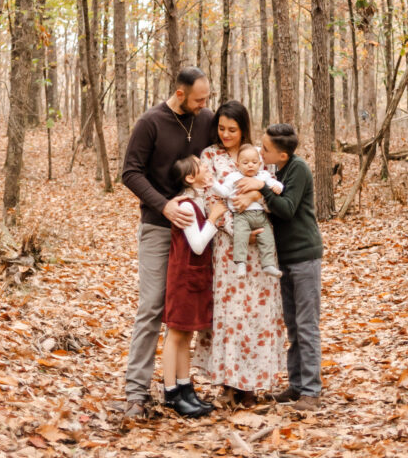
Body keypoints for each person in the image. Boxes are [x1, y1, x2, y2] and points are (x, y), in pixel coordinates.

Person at [122, 67, 213, 418]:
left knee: (186, 309)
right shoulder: (151, 122)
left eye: (207, 98)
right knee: (152, 306)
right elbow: (130, 171)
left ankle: (177, 387)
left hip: (197, 230)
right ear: (179, 93)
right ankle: (136, 392)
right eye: (199, 99)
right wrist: (164, 205)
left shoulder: (204, 119)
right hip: (159, 227)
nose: (205, 105)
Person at [193, 101, 286, 404]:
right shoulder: (210, 156)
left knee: (256, 314)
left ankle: (252, 385)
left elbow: (273, 188)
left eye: (232, 129)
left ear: (244, 128)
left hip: (261, 248)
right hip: (227, 246)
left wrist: (258, 194)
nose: (226, 134)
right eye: (221, 128)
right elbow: (210, 199)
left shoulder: (259, 154)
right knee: (230, 314)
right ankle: (228, 384)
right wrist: (237, 231)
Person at [235, 123, 323, 412]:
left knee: (307, 326)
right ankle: (297, 386)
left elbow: (286, 208)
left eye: (266, 149)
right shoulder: (276, 172)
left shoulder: (298, 169)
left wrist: (261, 190)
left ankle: (311, 391)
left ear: (282, 155)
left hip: (304, 257)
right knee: (294, 326)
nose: (260, 152)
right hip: (285, 258)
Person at [162, 155, 227, 418]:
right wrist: (213, 219)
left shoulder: (198, 200)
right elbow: (197, 244)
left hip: (195, 278)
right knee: (175, 334)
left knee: (186, 335)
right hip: (182, 279)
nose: (206, 168)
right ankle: (170, 393)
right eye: (201, 167)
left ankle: (185, 387)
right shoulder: (187, 206)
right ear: (190, 178)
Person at [213, 143, 283, 278]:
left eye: (254, 162)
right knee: (240, 236)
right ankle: (241, 263)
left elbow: (275, 184)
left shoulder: (263, 175)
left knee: (267, 237)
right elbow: (224, 192)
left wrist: (278, 187)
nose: (250, 165)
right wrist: (213, 184)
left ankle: (268, 264)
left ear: (259, 163)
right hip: (242, 215)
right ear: (238, 165)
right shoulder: (233, 177)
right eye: (245, 163)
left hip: (261, 216)